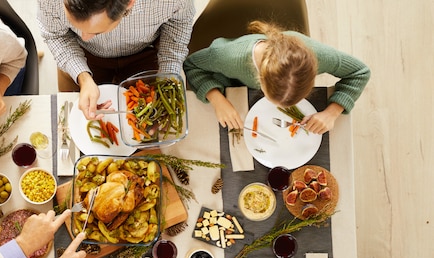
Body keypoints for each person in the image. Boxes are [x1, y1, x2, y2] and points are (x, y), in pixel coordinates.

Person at [183, 21, 371, 134]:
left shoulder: (318, 56)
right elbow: (191, 65)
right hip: (227, 80)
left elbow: (360, 72)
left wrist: (332, 112)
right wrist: (216, 98)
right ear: (260, 78)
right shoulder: (227, 57)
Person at [38, 0, 195, 119]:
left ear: (129, 3)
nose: (84, 37)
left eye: (97, 31)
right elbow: (56, 34)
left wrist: (166, 79)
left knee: (152, 122)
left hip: (146, 53)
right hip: (81, 54)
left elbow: (178, 25)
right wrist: (83, 77)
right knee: (74, 119)